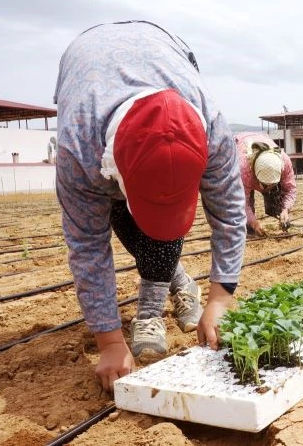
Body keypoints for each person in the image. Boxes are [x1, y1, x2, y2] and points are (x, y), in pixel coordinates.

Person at [54, 21, 246, 391]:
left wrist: (221, 298)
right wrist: (109, 341)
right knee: (122, 221)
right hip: (84, 67)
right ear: (115, 172)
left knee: (157, 231)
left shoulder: (213, 129)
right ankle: (170, 285)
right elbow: (87, 248)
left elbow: (231, 213)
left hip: (166, 47)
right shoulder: (78, 150)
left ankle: (164, 292)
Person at [235, 132, 297, 236]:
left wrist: (285, 209)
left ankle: (280, 215)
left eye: (271, 184)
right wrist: (253, 222)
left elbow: (290, 190)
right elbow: (242, 201)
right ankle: (249, 226)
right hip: (239, 146)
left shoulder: (284, 162)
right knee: (243, 214)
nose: (267, 187)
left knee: (278, 200)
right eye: (265, 184)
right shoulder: (244, 168)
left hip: (263, 144)